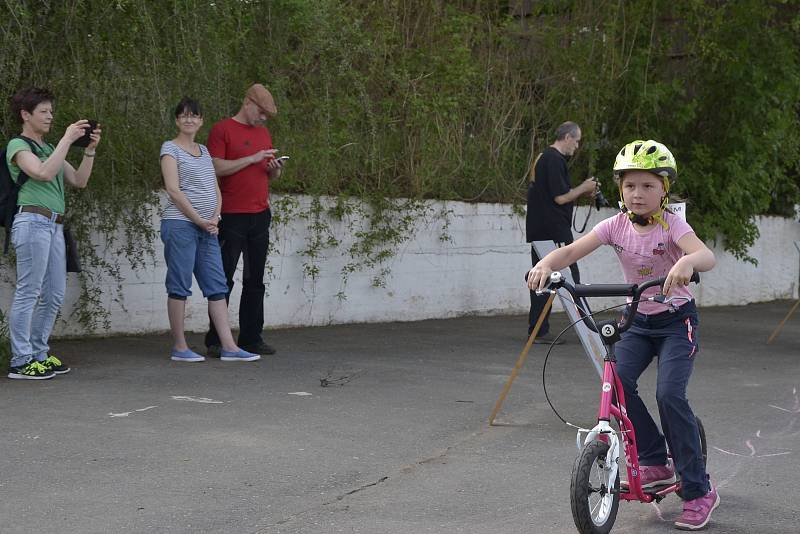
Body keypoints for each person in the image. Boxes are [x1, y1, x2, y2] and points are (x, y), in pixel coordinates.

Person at [527, 140, 719, 531]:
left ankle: (699, 490)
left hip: (675, 321)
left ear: (664, 189)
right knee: (616, 384)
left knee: (669, 394)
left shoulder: (672, 225)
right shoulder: (614, 225)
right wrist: (546, 263)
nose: (638, 194)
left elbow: (705, 256)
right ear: (620, 190)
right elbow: (570, 252)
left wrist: (685, 261)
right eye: (630, 186)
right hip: (637, 319)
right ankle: (652, 459)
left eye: (648, 186)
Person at [5, 87, 101, 380]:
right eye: (44, 111)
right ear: (26, 115)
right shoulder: (18, 145)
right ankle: (21, 361)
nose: (50, 116)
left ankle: (38, 354)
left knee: (54, 293)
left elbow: (79, 180)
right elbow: (43, 173)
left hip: (54, 226)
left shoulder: (48, 149)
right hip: (32, 222)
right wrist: (66, 139)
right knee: (29, 292)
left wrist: (89, 149)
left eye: (51, 111)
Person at [159, 97, 260, 363]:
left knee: (217, 285)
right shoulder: (170, 149)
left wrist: (214, 217)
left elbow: (214, 188)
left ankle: (229, 346)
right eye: (183, 116)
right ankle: (180, 348)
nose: (189, 120)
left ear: (201, 120)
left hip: (208, 228)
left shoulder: (204, 151)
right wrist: (198, 219)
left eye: (194, 115)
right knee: (179, 285)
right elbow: (173, 190)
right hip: (181, 225)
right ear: (177, 120)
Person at [204, 83, 284, 357]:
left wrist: (274, 170)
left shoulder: (263, 133)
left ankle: (252, 336)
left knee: (255, 278)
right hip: (231, 214)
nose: (263, 119)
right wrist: (251, 158)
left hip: (259, 213)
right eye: (261, 112)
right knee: (223, 278)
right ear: (248, 102)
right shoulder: (222, 129)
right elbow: (215, 166)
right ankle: (217, 338)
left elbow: (266, 173)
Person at [526, 121, 598, 342]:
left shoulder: (543, 157)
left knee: (541, 278)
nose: (576, 147)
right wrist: (585, 188)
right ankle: (588, 331)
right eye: (576, 141)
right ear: (567, 137)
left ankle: (538, 330)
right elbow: (560, 197)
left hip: (540, 229)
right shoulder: (554, 159)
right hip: (554, 230)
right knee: (570, 278)